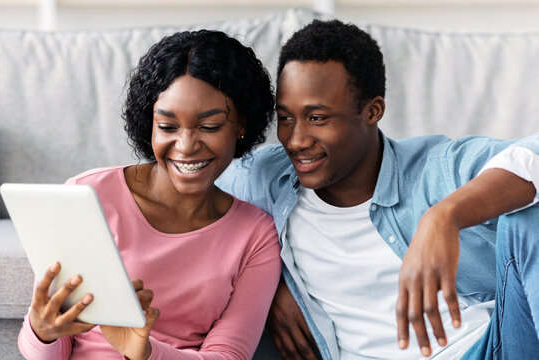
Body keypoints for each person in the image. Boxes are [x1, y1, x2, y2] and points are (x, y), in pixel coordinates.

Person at [217, 19, 539, 359]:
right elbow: (186, 196)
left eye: (317, 118)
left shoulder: (437, 168)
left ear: (373, 111)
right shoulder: (266, 177)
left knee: (527, 215)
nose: (295, 141)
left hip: (491, 349)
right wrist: (267, 286)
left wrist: (444, 217)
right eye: (285, 118)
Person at [18, 29, 281, 360]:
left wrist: (144, 352)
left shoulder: (255, 235)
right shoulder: (89, 196)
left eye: (209, 127)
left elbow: (229, 356)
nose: (185, 147)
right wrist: (42, 332)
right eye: (168, 127)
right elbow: (46, 353)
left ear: (241, 124)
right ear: (149, 124)